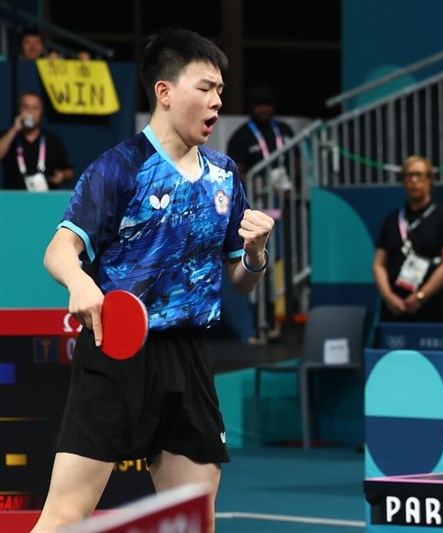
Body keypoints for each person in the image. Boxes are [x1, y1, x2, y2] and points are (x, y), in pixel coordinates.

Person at [30, 28, 274, 533]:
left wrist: (255, 253)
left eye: (221, 91)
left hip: (188, 358)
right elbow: (59, 251)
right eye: (205, 88)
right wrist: (79, 282)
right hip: (116, 350)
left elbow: (241, 281)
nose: (217, 101)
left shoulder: (225, 176)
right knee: (63, 518)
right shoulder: (119, 168)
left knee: (193, 524)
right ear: (164, 93)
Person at [226, 85, 295, 341]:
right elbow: (237, 171)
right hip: (255, 215)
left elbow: (296, 164)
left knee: (282, 269)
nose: (263, 109)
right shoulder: (242, 136)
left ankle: (281, 321)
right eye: (258, 105)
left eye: (267, 104)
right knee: (257, 269)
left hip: (286, 214)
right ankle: (258, 325)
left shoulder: (285, 131)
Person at [373, 155, 443, 323]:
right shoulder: (392, 219)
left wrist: (421, 296)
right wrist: (388, 297)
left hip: (432, 308)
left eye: (419, 175)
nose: (414, 180)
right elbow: (378, 264)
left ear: (430, 179)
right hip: (395, 308)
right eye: (409, 175)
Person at [0, 91, 73, 191]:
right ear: (19, 110)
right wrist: (14, 130)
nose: (30, 112)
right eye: (26, 107)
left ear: (41, 112)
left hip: (46, 201)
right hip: (15, 200)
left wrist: (63, 176)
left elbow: (69, 170)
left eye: (35, 108)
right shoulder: (9, 136)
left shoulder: (52, 140)